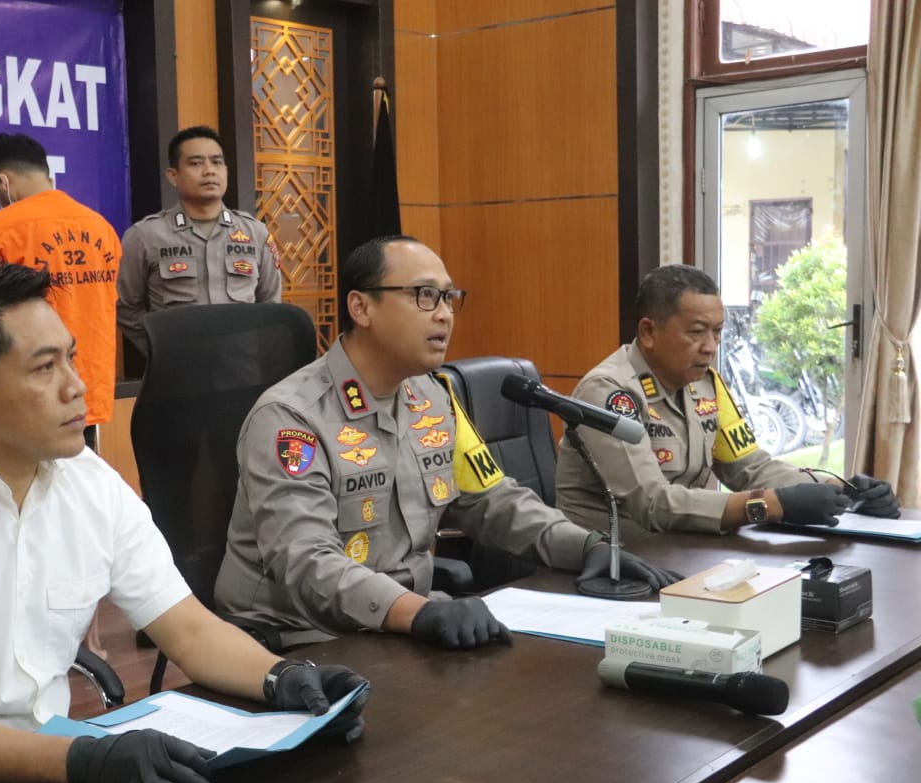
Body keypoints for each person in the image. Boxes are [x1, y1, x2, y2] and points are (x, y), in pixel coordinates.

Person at [0, 263, 369, 783]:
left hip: (45, 770)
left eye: (71, 359)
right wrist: (80, 761)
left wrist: (284, 678)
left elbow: (190, 631)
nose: (76, 385)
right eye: (44, 368)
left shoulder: (90, 482)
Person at [213, 235, 682, 650]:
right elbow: (306, 562)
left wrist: (588, 547)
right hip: (299, 642)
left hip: (401, 626)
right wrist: (416, 613)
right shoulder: (291, 418)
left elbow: (493, 500)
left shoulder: (432, 398)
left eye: (448, 298)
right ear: (361, 308)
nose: (443, 313)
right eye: (423, 295)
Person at [555, 264, 900, 541]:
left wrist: (841, 489)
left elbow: (750, 468)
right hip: (611, 559)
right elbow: (652, 503)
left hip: (681, 546)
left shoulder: (705, 384)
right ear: (648, 332)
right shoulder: (610, 393)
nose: (710, 347)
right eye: (696, 332)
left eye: (717, 332)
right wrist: (771, 505)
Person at [0, 133, 121, 439]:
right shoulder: (101, 227)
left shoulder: (1, 228)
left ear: (1, 181)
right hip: (88, 386)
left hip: (32, 389)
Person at [117, 125, 282, 358]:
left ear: (226, 170)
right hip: (176, 367)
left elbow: (270, 304)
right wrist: (162, 351)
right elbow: (126, 307)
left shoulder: (255, 233)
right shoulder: (145, 235)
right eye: (196, 163)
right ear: (173, 175)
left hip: (242, 366)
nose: (209, 171)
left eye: (217, 163)